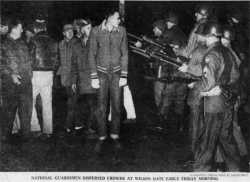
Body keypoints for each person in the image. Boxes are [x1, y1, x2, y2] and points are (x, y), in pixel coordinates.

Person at [193, 22, 241, 171]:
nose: (204, 39)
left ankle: (200, 172)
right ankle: (237, 172)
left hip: (213, 105)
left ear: (209, 36)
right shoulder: (227, 51)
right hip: (227, 103)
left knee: (208, 141)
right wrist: (223, 87)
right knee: (226, 140)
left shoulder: (211, 54)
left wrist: (199, 89)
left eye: (205, 36)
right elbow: (235, 76)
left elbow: (208, 82)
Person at [88, 10, 128, 153]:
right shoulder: (96, 31)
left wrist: (124, 75)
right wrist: (93, 76)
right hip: (101, 73)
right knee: (101, 107)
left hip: (117, 73)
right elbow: (91, 54)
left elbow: (124, 54)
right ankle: (102, 136)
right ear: (109, 18)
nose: (120, 20)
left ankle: (115, 134)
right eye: (117, 18)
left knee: (117, 106)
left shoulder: (122, 31)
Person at [178, 22, 208, 157]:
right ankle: (200, 150)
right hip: (206, 91)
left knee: (195, 123)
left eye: (196, 35)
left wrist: (187, 70)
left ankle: (193, 153)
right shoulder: (210, 49)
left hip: (197, 91)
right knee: (202, 122)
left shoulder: (198, 50)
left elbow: (198, 70)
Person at [1, 18, 33, 143]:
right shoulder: (3, 44)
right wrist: (12, 74)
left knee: (26, 110)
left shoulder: (22, 43)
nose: (22, 30)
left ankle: (26, 136)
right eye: (20, 28)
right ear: (14, 29)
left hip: (25, 82)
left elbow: (28, 60)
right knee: (9, 111)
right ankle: (4, 137)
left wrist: (29, 75)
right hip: (10, 84)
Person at [30, 15, 59, 139]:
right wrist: (52, 70)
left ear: (35, 29)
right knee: (47, 103)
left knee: (30, 102)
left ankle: (35, 128)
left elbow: (29, 59)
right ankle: (48, 130)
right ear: (45, 28)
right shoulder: (53, 41)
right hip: (49, 74)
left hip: (35, 74)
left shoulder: (32, 40)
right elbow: (57, 60)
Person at [71, 19, 98, 138]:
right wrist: (73, 80)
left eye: (91, 27)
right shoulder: (76, 44)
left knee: (94, 105)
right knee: (81, 104)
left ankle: (91, 128)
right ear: (82, 30)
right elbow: (74, 63)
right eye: (87, 28)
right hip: (81, 80)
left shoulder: (96, 42)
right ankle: (81, 126)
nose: (90, 30)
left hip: (93, 78)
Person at [57, 23, 80, 135]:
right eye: (67, 31)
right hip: (64, 79)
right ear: (63, 33)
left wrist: (75, 80)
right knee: (70, 102)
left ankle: (69, 125)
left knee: (72, 102)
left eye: (71, 30)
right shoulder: (60, 44)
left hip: (73, 78)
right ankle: (77, 123)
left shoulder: (76, 43)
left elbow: (76, 63)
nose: (70, 32)